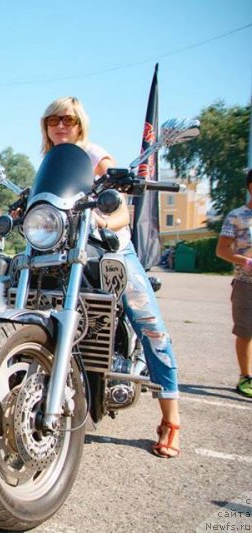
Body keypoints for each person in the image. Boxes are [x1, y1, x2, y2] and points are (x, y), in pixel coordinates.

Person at [40, 96, 181, 457]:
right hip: (64, 250)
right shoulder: (48, 163)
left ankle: (171, 418)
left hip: (111, 250)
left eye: (68, 120)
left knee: (151, 325)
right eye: (54, 120)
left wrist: (101, 222)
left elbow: (121, 214)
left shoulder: (94, 156)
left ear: (80, 124)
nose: (60, 126)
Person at [215, 169, 252, 399]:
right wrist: (245, 261)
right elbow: (221, 250)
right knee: (246, 331)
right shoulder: (237, 216)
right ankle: (246, 377)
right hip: (245, 284)